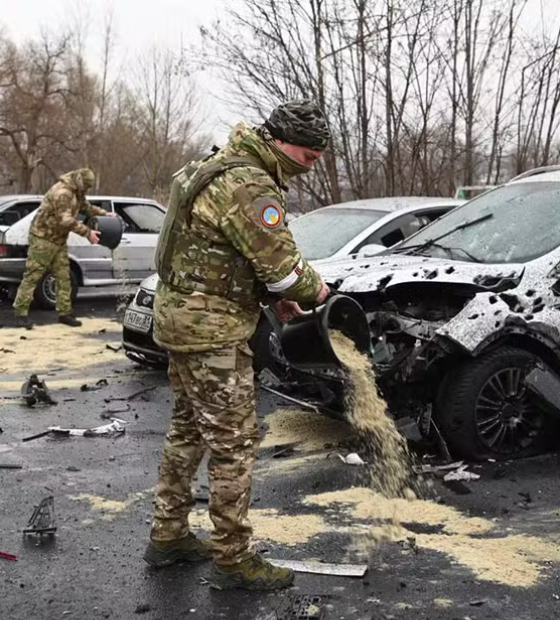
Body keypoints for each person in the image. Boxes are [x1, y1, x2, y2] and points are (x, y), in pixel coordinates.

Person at [144, 100, 332, 590]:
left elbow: (219, 251)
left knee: (187, 430)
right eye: (308, 155)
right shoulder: (249, 184)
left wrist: (273, 299)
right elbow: (283, 266)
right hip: (212, 334)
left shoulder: (215, 165)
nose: (310, 164)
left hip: (180, 320)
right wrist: (313, 291)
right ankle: (233, 561)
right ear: (279, 139)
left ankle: (168, 537)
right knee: (235, 443)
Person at [13, 168, 114, 329]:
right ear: (80, 181)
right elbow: (65, 220)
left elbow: (86, 207)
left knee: (63, 276)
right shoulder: (63, 193)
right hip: (42, 238)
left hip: (58, 240)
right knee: (33, 275)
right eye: (86, 187)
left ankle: (64, 313)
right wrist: (87, 233)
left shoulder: (77, 191)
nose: (85, 190)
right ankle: (20, 312)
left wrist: (104, 213)